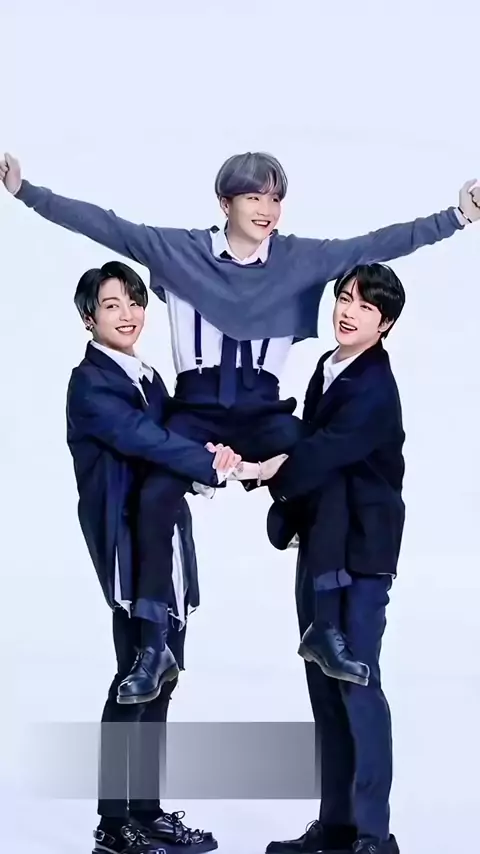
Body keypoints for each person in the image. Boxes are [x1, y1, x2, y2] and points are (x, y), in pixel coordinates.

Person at [2, 151, 479, 701]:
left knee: (321, 472)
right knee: (155, 494)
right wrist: (24, 191)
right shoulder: (177, 250)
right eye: (254, 196)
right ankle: (153, 649)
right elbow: (103, 225)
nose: (266, 209)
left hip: (262, 410)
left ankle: (324, 628)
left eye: (275, 198)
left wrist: (458, 216)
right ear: (224, 202)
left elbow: (376, 244)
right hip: (195, 408)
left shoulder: (300, 259)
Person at [67, 260, 236, 853]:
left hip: (166, 544)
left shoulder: (149, 378)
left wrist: (215, 454)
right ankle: (114, 825)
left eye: (135, 302)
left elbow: (176, 441)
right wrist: (207, 463)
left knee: (163, 678)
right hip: (129, 547)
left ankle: (147, 811)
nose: (127, 314)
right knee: (134, 677)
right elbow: (147, 441)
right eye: (111, 305)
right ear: (88, 317)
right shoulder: (91, 383)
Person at [258, 263, 406, 853]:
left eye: (366, 307)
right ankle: (337, 825)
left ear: (385, 323)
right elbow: (310, 447)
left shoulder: (374, 387)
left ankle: (373, 836)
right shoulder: (329, 364)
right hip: (321, 546)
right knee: (323, 683)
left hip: (363, 553)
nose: (349, 312)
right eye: (345, 298)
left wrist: (267, 474)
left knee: (358, 685)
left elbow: (322, 453)